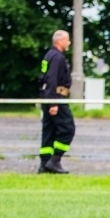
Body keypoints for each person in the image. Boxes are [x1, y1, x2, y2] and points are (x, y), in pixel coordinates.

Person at [38, 30, 75, 174]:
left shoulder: (49, 55)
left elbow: (44, 79)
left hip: (47, 96)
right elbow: (51, 79)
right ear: (60, 41)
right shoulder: (57, 57)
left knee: (49, 131)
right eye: (67, 40)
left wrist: (47, 98)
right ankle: (55, 160)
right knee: (68, 128)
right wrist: (53, 102)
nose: (69, 43)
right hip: (56, 97)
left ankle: (44, 165)